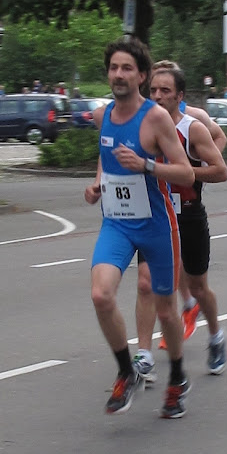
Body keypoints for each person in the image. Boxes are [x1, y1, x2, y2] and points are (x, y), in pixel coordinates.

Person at [84, 36, 195, 419]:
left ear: (142, 75)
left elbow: (185, 171)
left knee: (166, 310)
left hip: (156, 225)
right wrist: (98, 182)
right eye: (113, 67)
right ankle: (125, 371)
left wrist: (147, 165)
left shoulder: (155, 118)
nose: (118, 74)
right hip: (116, 223)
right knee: (101, 295)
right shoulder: (102, 116)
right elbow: (107, 158)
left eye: (126, 68)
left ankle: (178, 377)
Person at [133, 65, 227, 382]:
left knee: (199, 286)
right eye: (154, 91)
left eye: (165, 91)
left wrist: (183, 171)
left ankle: (216, 336)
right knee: (148, 284)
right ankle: (143, 356)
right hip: (155, 215)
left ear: (180, 96)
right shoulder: (142, 126)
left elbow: (220, 170)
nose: (158, 96)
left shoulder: (193, 128)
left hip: (188, 214)